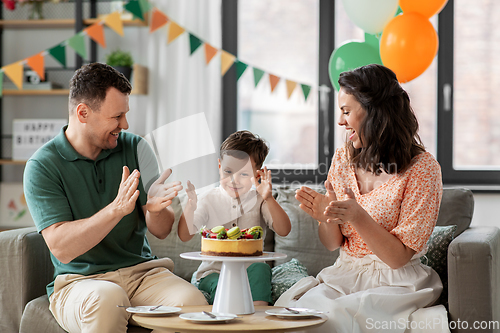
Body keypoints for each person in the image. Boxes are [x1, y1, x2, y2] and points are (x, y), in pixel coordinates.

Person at [23, 63, 207, 333]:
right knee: (108, 298)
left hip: (143, 274)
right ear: (83, 113)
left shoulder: (136, 147)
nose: (125, 124)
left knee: (191, 303)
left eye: (125, 114)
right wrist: (116, 210)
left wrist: (155, 211)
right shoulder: (42, 166)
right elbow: (62, 247)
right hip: (80, 281)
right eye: (117, 116)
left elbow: (162, 229)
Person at [275, 64, 449, 333]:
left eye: (346, 111)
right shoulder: (343, 157)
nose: (340, 122)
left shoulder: (423, 169)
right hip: (344, 274)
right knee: (304, 316)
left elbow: (398, 258)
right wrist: (327, 218)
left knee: (337, 316)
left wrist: (357, 216)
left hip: (396, 283)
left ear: (375, 112)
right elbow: (333, 244)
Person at [178, 130, 291, 305]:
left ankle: (257, 319)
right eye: (228, 171)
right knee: (221, 286)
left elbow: (284, 230)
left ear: (257, 175)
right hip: (212, 273)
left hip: (250, 271)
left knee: (262, 269)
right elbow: (185, 235)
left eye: (244, 174)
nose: (234, 180)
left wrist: (268, 197)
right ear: (219, 166)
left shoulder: (261, 201)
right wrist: (190, 207)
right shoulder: (208, 199)